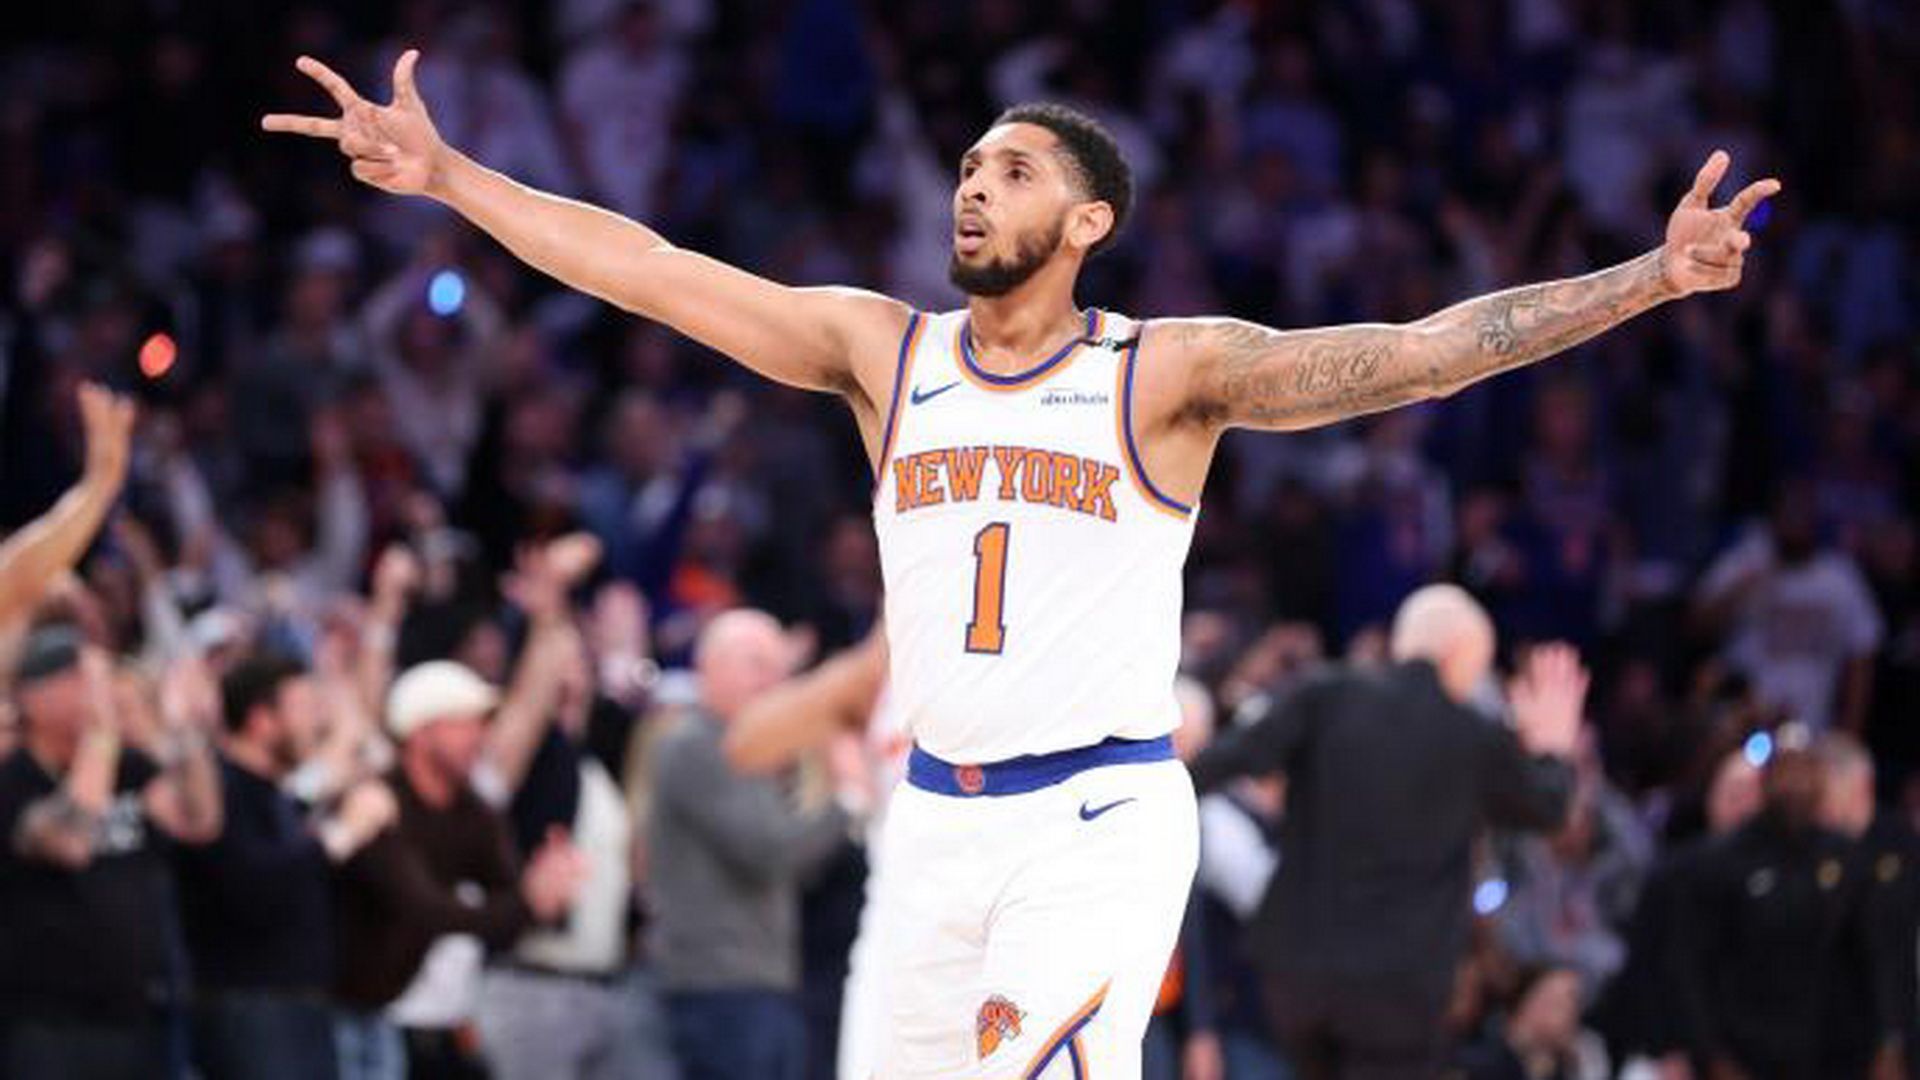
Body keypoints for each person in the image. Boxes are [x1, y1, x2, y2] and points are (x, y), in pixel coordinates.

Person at [266, 52, 1777, 1073]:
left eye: (1013, 170)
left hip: (1095, 817)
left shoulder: (1163, 372)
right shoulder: (883, 353)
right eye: (969, 165)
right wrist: (453, 178)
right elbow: (652, 272)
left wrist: (1648, 279)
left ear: (1088, 219)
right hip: (933, 821)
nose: (973, 187)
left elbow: (1419, 354)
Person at [1189, 585, 1583, 1080]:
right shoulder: (1470, 734)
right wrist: (1552, 749)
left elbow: (1223, 761)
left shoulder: (1325, 693)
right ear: (1460, 654)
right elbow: (1548, 809)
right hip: (1400, 988)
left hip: (1297, 972)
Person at [331, 658, 585, 1080]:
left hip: (448, 1019)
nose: (479, 737)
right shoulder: (377, 804)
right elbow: (425, 908)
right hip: (365, 1018)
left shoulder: (476, 813)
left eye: (481, 724)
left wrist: (543, 897)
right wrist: (527, 902)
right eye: (463, 724)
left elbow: (505, 913)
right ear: (421, 732)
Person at [0, 626, 223, 1077]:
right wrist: (101, 734)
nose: (98, 692)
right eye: (80, 679)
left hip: (135, 1019)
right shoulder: (15, 779)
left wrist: (186, 732)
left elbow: (200, 821)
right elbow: (72, 843)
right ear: (33, 697)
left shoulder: (129, 769)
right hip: (47, 1027)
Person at [649, 609, 857, 1080]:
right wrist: (848, 799)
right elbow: (771, 851)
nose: (772, 681)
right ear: (708, 666)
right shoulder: (697, 744)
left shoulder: (749, 749)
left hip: (761, 984)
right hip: (719, 988)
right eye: (757, 664)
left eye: (779, 669)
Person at [175, 652, 397, 1080]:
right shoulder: (221, 791)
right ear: (262, 720)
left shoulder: (277, 794)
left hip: (297, 1009)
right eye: (304, 709)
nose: (316, 723)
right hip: (249, 1011)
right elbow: (252, 888)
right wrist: (343, 833)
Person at [1675, 733, 1904, 1080]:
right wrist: (1711, 1053)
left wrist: (1888, 1040)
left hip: (1829, 1053)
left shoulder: (1847, 859)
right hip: (1743, 1049)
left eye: (1804, 772)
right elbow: (1693, 964)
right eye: (1787, 771)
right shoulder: (1722, 861)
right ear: (1767, 781)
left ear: (1818, 780)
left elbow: (1876, 956)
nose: (1795, 784)